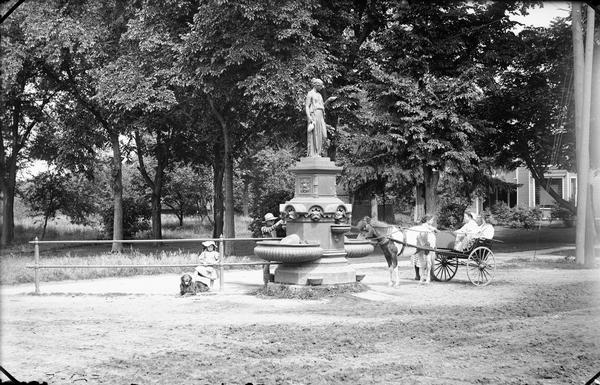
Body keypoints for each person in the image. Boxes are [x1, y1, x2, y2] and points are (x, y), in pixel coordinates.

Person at [260, 213, 285, 288]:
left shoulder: (274, 228)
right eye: (270, 221)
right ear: (266, 222)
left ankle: (275, 279)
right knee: (266, 266)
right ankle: (266, 283)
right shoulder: (263, 228)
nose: (272, 222)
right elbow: (270, 229)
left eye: (273, 220)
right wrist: (278, 223)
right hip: (266, 249)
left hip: (273, 247)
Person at [410, 214, 437, 280]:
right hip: (422, 245)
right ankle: (419, 275)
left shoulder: (425, 226)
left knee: (418, 259)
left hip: (421, 244)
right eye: (432, 220)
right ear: (427, 220)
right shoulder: (425, 226)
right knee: (418, 259)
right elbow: (433, 229)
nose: (432, 221)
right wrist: (435, 230)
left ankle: (419, 275)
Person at [305, 78, 327, 157]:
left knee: (324, 135)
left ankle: (319, 152)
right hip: (314, 114)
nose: (321, 88)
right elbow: (307, 106)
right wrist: (309, 117)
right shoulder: (310, 93)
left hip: (321, 115)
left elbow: (322, 105)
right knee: (315, 134)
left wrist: (329, 101)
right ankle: (315, 153)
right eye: (320, 86)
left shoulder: (319, 95)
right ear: (316, 85)